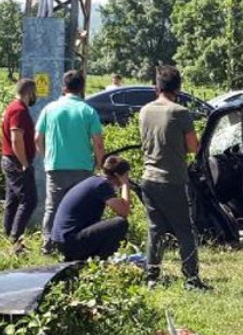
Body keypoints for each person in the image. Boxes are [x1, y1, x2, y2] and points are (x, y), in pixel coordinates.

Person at [139, 65, 211, 291]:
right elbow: (193, 147)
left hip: (148, 178)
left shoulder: (145, 111)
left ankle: (152, 277)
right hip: (173, 179)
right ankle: (191, 279)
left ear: (156, 88)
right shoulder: (180, 112)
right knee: (184, 230)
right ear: (178, 88)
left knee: (155, 229)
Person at [35, 70, 105, 254]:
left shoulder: (49, 109)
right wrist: (99, 163)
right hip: (82, 168)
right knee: (80, 206)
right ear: (82, 88)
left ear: (63, 87)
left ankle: (48, 245)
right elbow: (98, 142)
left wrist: (47, 157)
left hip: (56, 166)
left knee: (53, 206)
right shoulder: (88, 111)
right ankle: (79, 242)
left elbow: (37, 138)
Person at [51, 156, 131, 261]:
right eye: (126, 175)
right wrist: (125, 184)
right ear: (117, 175)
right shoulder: (102, 185)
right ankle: (101, 263)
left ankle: (88, 259)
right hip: (70, 242)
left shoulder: (95, 181)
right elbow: (124, 211)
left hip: (63, 240)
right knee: (120, 223)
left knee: (109, 226)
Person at [1, 79, 38, 254]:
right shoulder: (19, 110)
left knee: (13, 201)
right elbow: (16, 139)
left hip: (10, 160)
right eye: (34, 93)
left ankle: (8, 238)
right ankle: (15, 242)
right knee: (29, 200)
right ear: (30, 92)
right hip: (17, 162)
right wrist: (24, 163)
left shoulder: (12, 107)